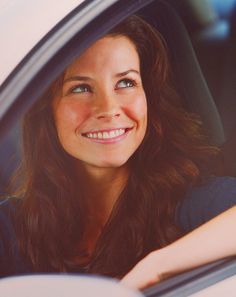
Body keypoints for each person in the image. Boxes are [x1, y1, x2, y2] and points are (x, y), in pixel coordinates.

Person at [1, 15, 236, 290]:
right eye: (80, 88)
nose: (108, 108)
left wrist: (157, 266)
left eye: (126, 83)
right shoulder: (12, 227)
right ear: (47, 114)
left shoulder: (193, 201)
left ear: (148, 96)